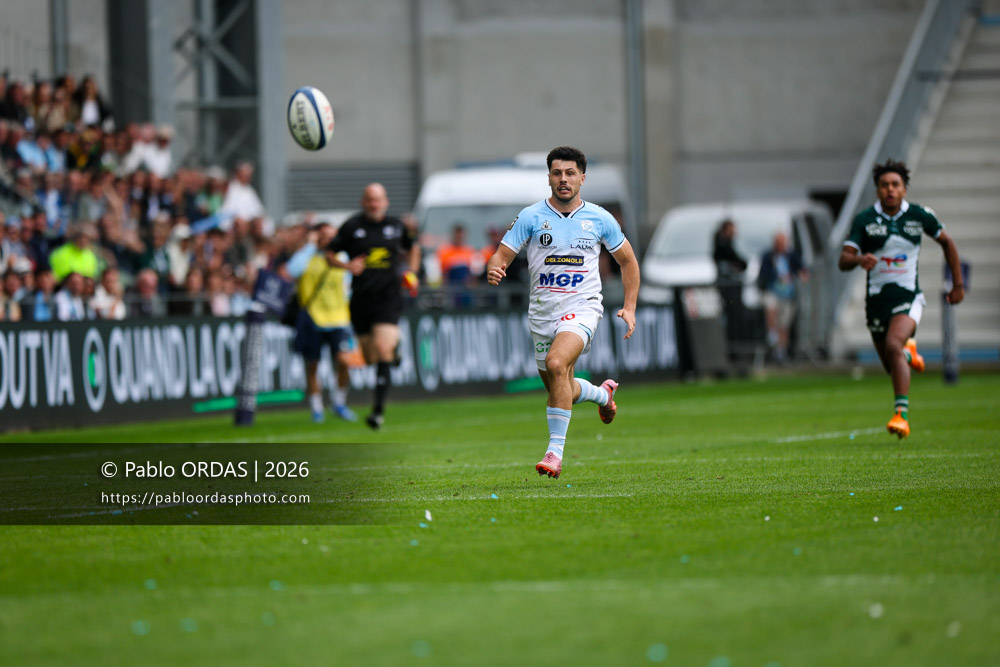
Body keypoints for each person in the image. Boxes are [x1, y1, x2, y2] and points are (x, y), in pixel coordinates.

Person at [486, 146, 640, 479]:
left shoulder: (599, 219)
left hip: (582, 308)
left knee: (557, 364)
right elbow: (501, 254)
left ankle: (554, 454)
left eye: (570, 173)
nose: (564, 179)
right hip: (542, 313)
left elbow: (627, 261)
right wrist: (494, 269)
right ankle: (602, 394)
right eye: (557, 173)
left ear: (582, 177)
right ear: (549, 178)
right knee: (562, 386)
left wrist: (629, 307)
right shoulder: (531, 217)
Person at [839, 159, 964, 439]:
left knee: (894, 344)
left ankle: (901, 416)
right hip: (876, 303)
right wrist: (860, 258)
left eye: (895, 185)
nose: (890, 190)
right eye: (884, 185)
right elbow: (843, 260)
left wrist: (957, 284)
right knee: (891, 363)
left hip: (908, 298)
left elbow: (948, 242)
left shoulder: (919, 216)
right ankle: (909, 353)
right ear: (877, 191)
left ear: (904, 189)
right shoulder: (865, 220)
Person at [324, 183, 420, 430]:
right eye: (369, 200)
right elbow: (329, 254)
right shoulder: (352, 226)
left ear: (385, 202)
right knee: (368, 358)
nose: (374, 204)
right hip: (360, 300)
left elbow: (413, 248)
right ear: (362, 202)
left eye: (378, 200)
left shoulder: (397, 226)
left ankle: (377, 412)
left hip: (388, 298)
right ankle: (393, 349)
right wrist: (347, 267)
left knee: (382, 349)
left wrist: (411, 272)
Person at [288, 220, 358, 423]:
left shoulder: (342, 257)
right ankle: (317, 407)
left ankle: (339, 402)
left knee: (345, 361)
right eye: (325, 235)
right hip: (314, 318)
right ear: (317, 237)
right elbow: (292, 270)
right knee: (313, 365)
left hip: (339, 318)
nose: (330, 239)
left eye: (332, 235)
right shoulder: (306, 258)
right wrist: (311, 246)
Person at [757, 232, 807, 362]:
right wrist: (778, 277)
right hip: (773, 290)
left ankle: (781, 351)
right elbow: (763, 273)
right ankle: (772, 334)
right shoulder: (768, 256)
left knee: (784, 324)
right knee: (770, 306)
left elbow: (802, 268)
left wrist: (800, 274)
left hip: (788, 294)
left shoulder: (791, 255)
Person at [712, 219, 749, 354]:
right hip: (728, 289)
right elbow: (734, 258)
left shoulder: (728, 243)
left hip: (731, 287)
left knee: (735, 316)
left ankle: (735, 346)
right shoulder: (721, 243)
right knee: (731, 316)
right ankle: (732, 347)